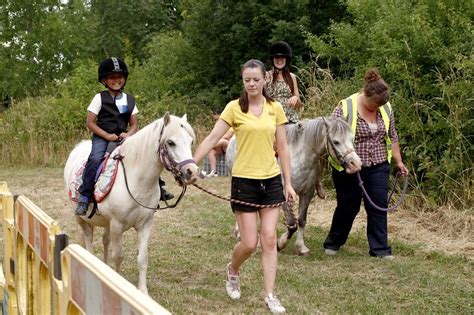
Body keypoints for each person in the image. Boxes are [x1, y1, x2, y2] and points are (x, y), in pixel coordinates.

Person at [193, 59, 296, 313]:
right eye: (247, 80)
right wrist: (191, 163)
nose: (251, 84)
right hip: (244, 182)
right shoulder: (234, 108)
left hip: (271, 180)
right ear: (243, 81)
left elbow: (282, 147)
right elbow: (213, 137)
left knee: (269, 238)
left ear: (265, 80)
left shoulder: (275, 109)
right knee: (250, 243)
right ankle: (233, 269)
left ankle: (270, 294)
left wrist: (288, 183)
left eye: (256, 79)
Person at [323, 68, 409, 259]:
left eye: (380, 106)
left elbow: (392, 136)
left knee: (378, 205)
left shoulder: (385, 107)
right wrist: (346, 162)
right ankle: (333, 242)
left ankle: (380, 249)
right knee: (349, 205)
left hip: (378, 164)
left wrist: (399, 162)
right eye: (374, 105)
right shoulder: (345, 107)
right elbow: (332, 137)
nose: (377, 109)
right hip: (349, 166)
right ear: (366, 95)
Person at [75, 57, 173, 215]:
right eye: (112, 77)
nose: (116, 80)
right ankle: (85, 196)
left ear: (125, 79)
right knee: (95, 158)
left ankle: (159, 188)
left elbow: (134, 124)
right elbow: (90, 122)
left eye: (120, 77)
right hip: (102, 136)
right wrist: (106, 135)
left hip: (124, 137)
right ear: (104, 80)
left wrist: (128, 134)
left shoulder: (129, 100)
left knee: (146, 156)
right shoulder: (99, 98)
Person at [266, 41, 326, 199]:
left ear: (287, 59)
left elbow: (299, 102)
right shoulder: (266, 76)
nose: (280, 60)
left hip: (292, 119)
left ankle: (316, 180)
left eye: (282, 58)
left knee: (312, 143)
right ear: (273, 59)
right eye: (277, 58)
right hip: (273, 120)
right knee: (274, 147)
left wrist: (294, 98)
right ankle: (273, 179)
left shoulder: (291, 77)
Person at [206, 109, 234, 177]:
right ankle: (214, 171)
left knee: (223, 141)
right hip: (219, 145)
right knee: (211, 151)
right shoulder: (217, 124)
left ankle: (209, 146)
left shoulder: (230, 124)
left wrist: (216, 140)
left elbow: (227, 136)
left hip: (229, 145)